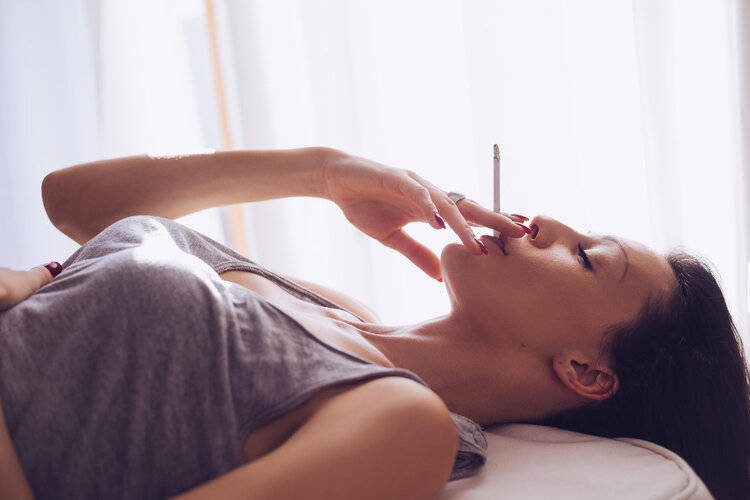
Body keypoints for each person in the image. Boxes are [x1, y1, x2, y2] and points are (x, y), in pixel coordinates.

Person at [0, 147, 747, 499]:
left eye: (585, 257)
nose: (545, 222)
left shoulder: (403, 426)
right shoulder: (330, 308)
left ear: (586, 371)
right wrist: (323, 174)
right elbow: (73, 201)